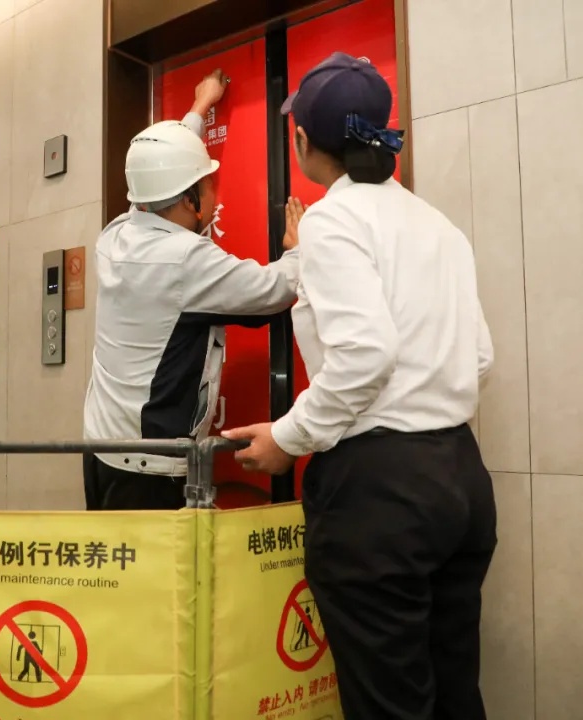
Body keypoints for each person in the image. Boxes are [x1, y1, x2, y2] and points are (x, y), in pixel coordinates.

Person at [224, 52, 497, 720]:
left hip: (380, 492)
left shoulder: (332, 220)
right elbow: (479, 356)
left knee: (388, 704)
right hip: (460, 479)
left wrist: (289, 437)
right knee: (455, 691)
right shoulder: (438, 224)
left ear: (301, 141)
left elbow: (366, 355)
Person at [82, 69, 306, 511]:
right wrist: (299, 251)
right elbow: (273, 290)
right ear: (189, 201)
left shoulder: (115, 234)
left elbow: (153, 179)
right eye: (207, 184)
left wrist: (200, 109)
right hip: (149, 470)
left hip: (100, 451)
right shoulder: (184, 258)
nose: (213, 191)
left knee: (116, 557)